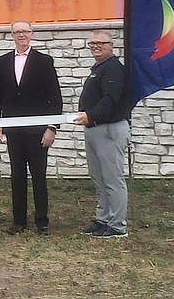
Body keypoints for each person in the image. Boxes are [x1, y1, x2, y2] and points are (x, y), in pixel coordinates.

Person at [0, 20, 63, 235]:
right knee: (17, 174)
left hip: (38, 130)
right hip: (14, 130)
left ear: (31, 34)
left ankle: (42, 221)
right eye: (17, 32)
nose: (21, 35)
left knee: (38, 175)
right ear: (12, 35)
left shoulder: (44, 61)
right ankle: (19, 221)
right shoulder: (2, 62)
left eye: (25, 31)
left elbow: (55, 97)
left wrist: (52, 127)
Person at [75, 30, 133, 238]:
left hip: (108, 129)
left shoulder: (114, 69)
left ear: (111, 45)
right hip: (94, 129)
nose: (96, 47)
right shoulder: (99, 68)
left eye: (101, 43)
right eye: (92, 44)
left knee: (112, 178)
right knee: (99, 179)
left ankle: (117, 225)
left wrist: (90, 116)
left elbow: (110, 99)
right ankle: (103, 219)